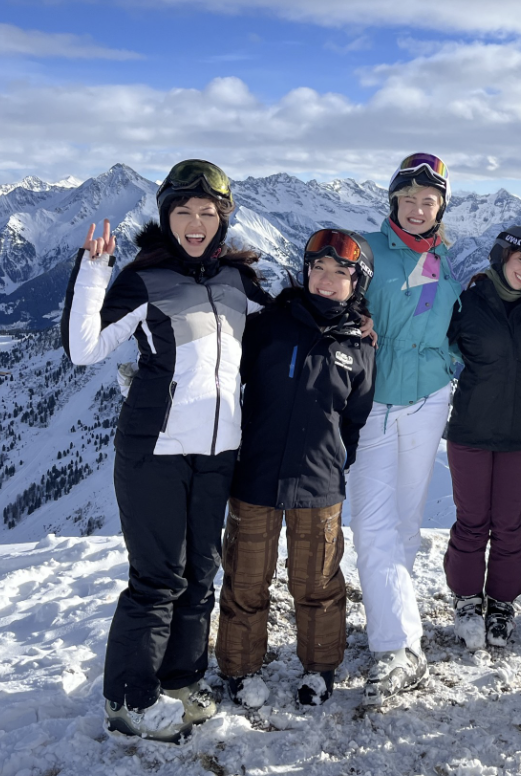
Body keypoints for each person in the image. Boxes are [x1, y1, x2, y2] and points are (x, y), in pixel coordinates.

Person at [60, 160, 271, 741]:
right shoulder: (142, 280)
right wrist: (93, 272)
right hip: (153, 448)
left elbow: (281, 329)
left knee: (201, 573)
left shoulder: (238, 282)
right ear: (166, 217)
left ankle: (180, 680)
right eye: (184, 212)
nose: (196, 222)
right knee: (157, 578)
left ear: (223, 218)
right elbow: (84, 349)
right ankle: (129, 701)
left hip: (218, 449)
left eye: (208, 212)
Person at [215, 229, 375, 708]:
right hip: (257, 475)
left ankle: (319, 668)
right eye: (317, 269)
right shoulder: (269, 323)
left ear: (357, 282)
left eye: (340, 273)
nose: (325, 280)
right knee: (245, 580)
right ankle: (241, 671)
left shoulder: (360, 345)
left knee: (319, 584)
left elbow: (356, 416)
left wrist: (333, 457)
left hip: (319, 483)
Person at [347, 152, 462, 705]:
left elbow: (445, 330)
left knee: (407, 521)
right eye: (408, 200)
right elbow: (328, 293)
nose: (417, 210)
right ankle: (398, 646)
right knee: (371, 524)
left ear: (440, 208)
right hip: (374, 401)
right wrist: (353, 320)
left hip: (428, 398)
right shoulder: (366, 250)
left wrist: (453, 369)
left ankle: (394, 614)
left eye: (429, 202)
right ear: (392, 202)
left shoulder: (439, 258)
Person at [443, 227, 521, 651]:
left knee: (509, 525)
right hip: (471, 431)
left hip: (517, 436)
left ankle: (502, 603)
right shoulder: (466, 304)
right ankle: (468, 599)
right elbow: (431, 345)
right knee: (472, 522)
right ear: (501, 257)